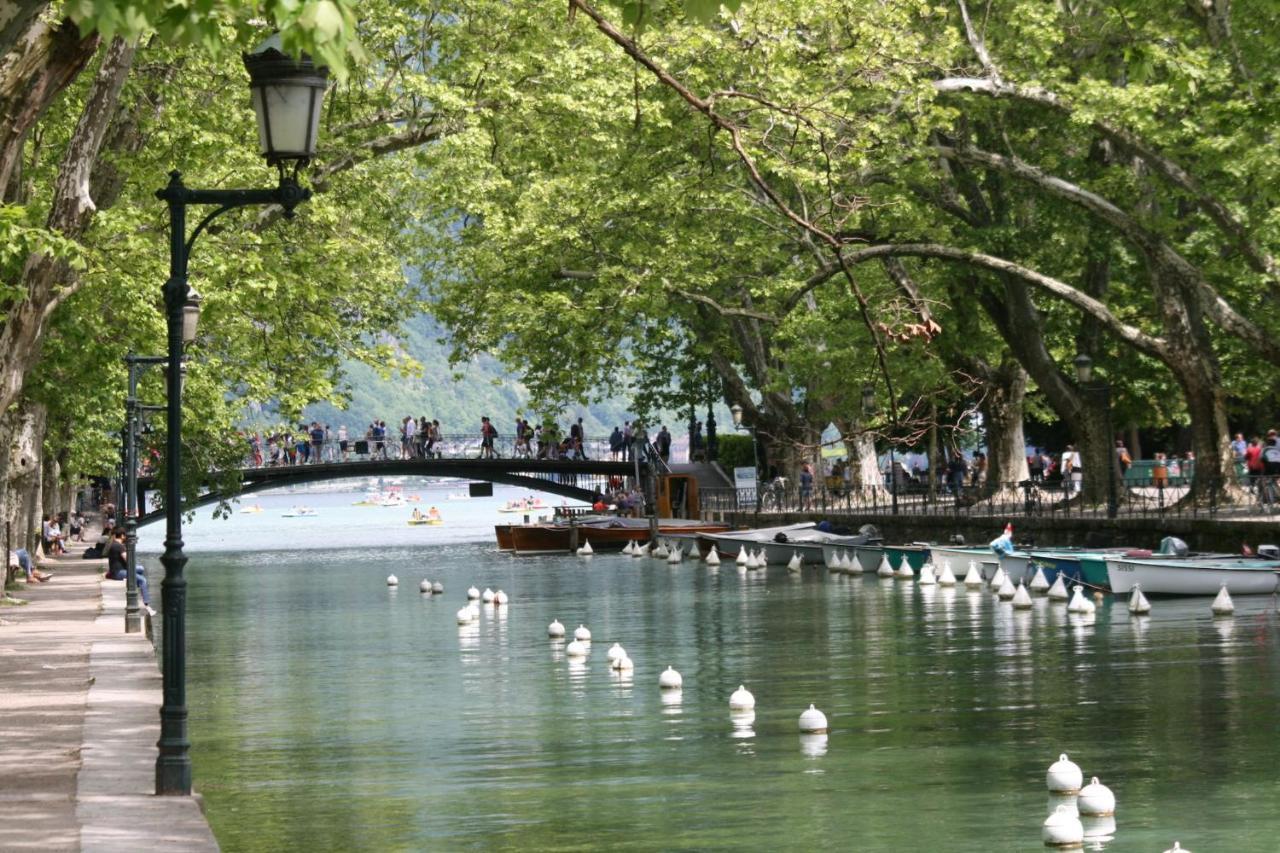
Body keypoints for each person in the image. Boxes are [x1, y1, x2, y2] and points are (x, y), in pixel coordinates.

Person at [104, 527, 153, 614]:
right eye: (125, 535)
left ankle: (137, 585)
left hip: (116, 571)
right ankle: (146, 603)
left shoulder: (114, 544)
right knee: (142, 580)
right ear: (122, 536)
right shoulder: (119, 546)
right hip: (119, 572)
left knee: (140, 569)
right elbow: (128, 561)